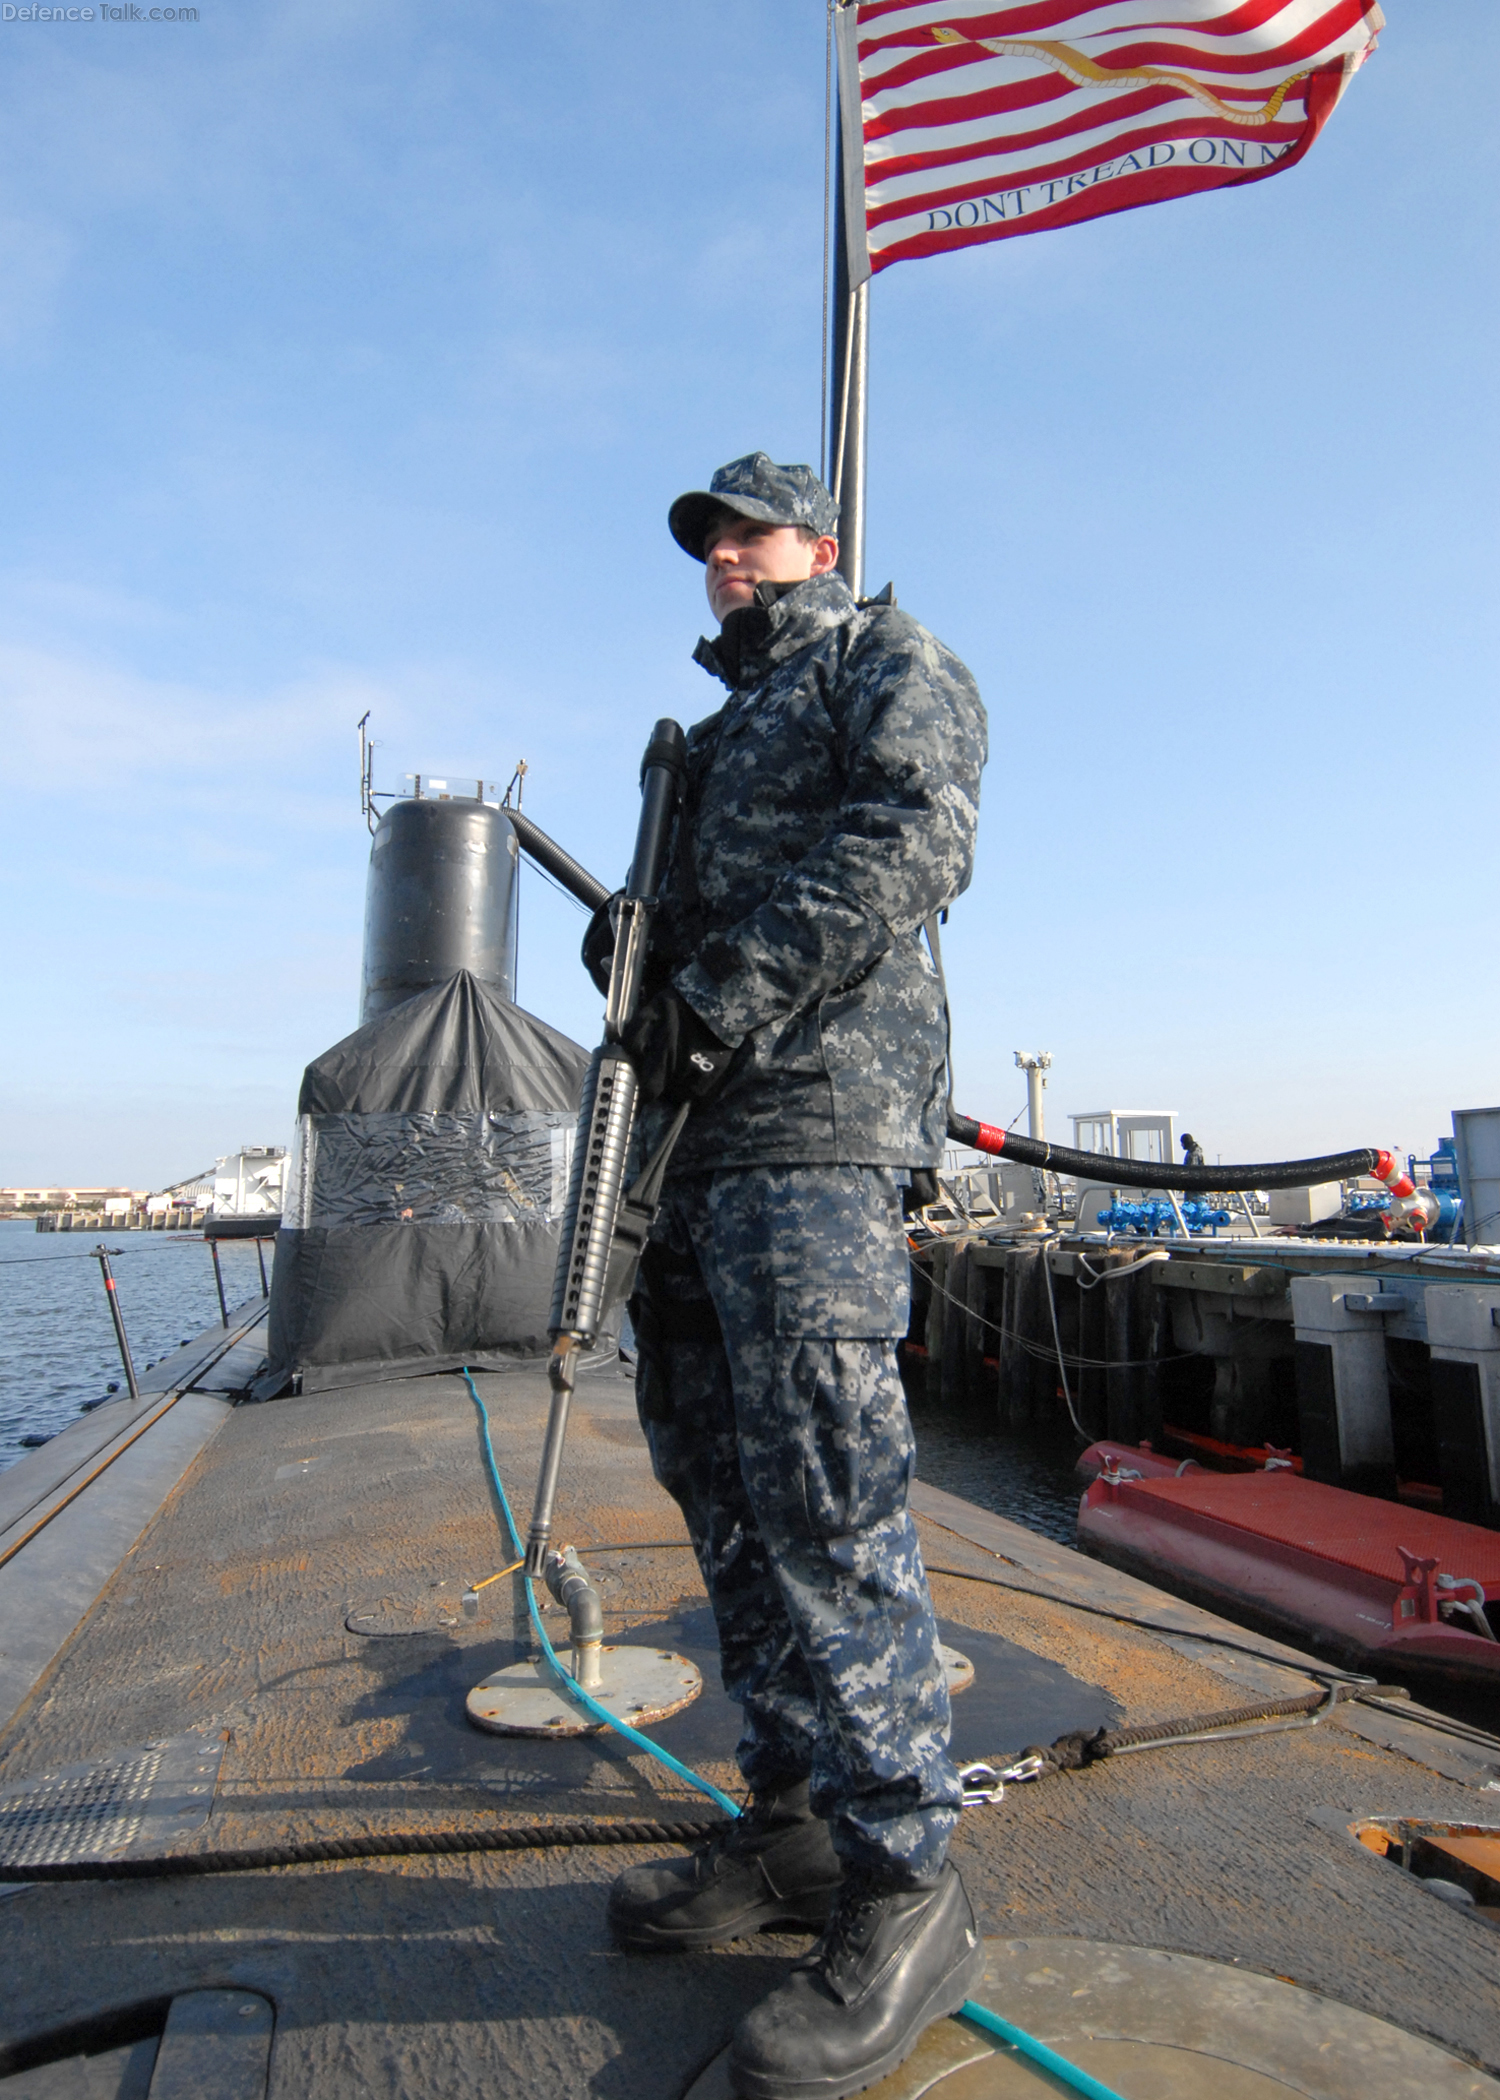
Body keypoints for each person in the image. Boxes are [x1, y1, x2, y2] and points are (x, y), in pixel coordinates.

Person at [592, 452, 988, 2100]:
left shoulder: (885, 663)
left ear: (818, 544)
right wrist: (639, 941)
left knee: (828, 1500)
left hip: (814, 1131)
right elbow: (669, 936)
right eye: (707, 546)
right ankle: (796, 1829)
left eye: (748, 536)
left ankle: (910, 1889)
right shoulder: (700, 743)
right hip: (688, 1156)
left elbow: (917, 840)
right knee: (724, 1497)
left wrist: (723, 986)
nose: (726, 564)